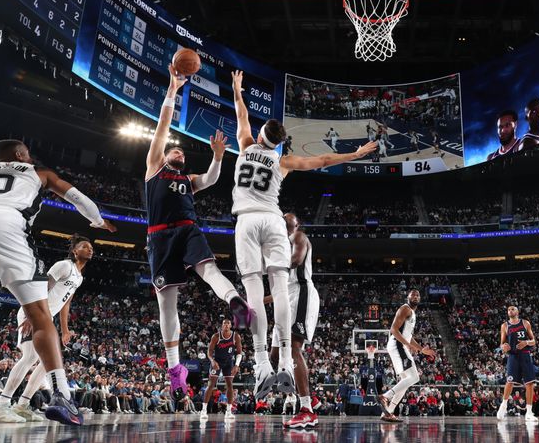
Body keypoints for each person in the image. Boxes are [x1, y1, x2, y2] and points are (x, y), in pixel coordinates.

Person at [230, 70, 376, 402]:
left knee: (254, 290)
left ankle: (261, 362)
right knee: (280, 287)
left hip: (246, 221)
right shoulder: (283, 160)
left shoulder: (245, 145)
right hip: (271, 218)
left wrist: (238, 90)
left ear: (259, 134)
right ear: (279, 141)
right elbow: (323, 159)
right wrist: (355, 154)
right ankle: (283, 359)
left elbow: (241, 114)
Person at [0, 139, 117, 425]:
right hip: (8, 224)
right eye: (27, 153)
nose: (30, 157)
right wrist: (99, 221)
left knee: (35, 352)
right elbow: (78, 198)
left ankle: (21, 403)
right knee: (40, 321)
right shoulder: (39, 173)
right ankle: (62, 397)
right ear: (18, 155)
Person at [144, 64, 252, 402]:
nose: (177, 150)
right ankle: (176, 372)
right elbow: (162, 127)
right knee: (167, 305)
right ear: (164, 157)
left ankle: (234, 301)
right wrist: (172, 91)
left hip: (188, 229)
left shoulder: (188, 181)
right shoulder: (154, 169)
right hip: (159, 237)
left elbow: (209, 180)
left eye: (180, 151)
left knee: (210, 269)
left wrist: (218, 158)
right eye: (173, 150)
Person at [0, 235, 93, 423]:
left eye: (91, 247)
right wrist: (31, 314)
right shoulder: (64, 266)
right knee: (30, 357)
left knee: (47, 364)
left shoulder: (79, 277)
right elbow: (42, 288)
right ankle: (0, 405)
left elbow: (66, 303)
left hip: (46, 318)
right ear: (74, 251)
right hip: (33, 311)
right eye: (85, 246)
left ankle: (22, 405)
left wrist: (65, 330)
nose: (90, 249)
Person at [265, 213, 320, 429]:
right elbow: (281, 288)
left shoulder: (298, 236)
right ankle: (309, 395)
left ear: (297, 224)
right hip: (286, 297)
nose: (285, 219)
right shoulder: (279, 246)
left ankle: (306, 409)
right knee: (275, 355)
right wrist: (258, 301)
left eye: (290, 218)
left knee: (294, 348)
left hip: (301, 293)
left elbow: (296, 260)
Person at [378, 289, 436, 423]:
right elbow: (393, 329)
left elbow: (408, 337)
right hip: (397, 344)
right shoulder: (405, 308)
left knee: (405, 382)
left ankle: (388, 412)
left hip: (400, 345)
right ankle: (386, 396)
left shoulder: (412, 313)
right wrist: (407, 345)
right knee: (414, 377)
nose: (415, 296)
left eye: (418, 295)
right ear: (408, 297)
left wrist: (421, 349)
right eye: (413, 294)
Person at [496, 305, 538, 423]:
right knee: (509, 382)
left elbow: (533, 340)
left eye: (512, 309)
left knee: (530, 383)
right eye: (508, 309)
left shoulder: (525, 323)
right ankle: (503, 406)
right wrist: (503, 347)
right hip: (513, 356)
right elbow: (502, 344)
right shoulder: (504, 326)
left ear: (518, 311)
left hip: (525, 355)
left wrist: (526, 342)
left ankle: (529, 412)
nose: (510, 311)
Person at [200, 318, 243, 421]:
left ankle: (228, 411)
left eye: (228, 323)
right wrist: (212, 361)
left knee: (230, 385)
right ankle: (203, 410)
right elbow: (209, 352)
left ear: (231, 326)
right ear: (222, 326)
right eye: (224, 323)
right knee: (211, 384)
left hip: (229, 362)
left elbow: (239, 352)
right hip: (217, 362)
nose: (226, 325)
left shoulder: (235, 336)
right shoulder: (216, 336)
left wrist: (236, 365)